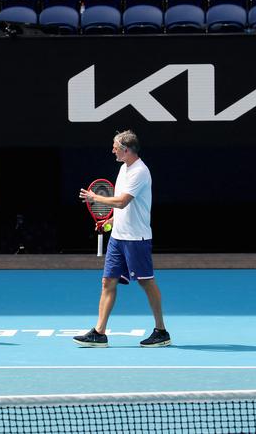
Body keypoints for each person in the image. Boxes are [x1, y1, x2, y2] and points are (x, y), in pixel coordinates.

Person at [74, 130, 170, 348]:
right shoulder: (123, 168)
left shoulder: (140, 172)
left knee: (146, 282)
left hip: (137, 238)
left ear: (126, 150)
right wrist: (109, 224)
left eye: (115, 146)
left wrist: (94, 197)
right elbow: (120, 208)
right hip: (118, 237)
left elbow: (122, 202)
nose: (112, 150)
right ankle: (99, 332)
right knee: (107, 281)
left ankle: (161, 331)